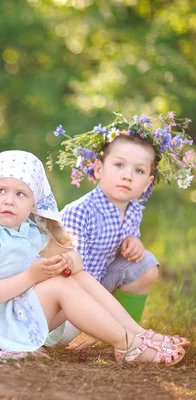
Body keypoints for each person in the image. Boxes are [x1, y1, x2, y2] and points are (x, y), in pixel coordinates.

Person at [0, 150, 186, 365]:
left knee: (78, 277)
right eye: (0, 190)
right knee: (59, 285)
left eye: (20, 194)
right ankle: (127, 345)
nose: (8, 200)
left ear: (34, 202)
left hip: (20, 316)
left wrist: (71, 261)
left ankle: (138, 334)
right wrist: (31, 276)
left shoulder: (30, 231)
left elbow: (74, 260)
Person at [52, 113, 194, 348]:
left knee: (145, 262)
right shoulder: (79, 211)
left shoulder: (134, 209)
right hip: (66, 306)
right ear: (98, 169)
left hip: (99, 292)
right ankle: (126, 335)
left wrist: (133, 242)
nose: (127, 175)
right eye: (119, 165)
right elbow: (73, 276)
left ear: (147, 183)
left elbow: (125, 256)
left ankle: (125, 337)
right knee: (77, 286)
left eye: (138, 171)